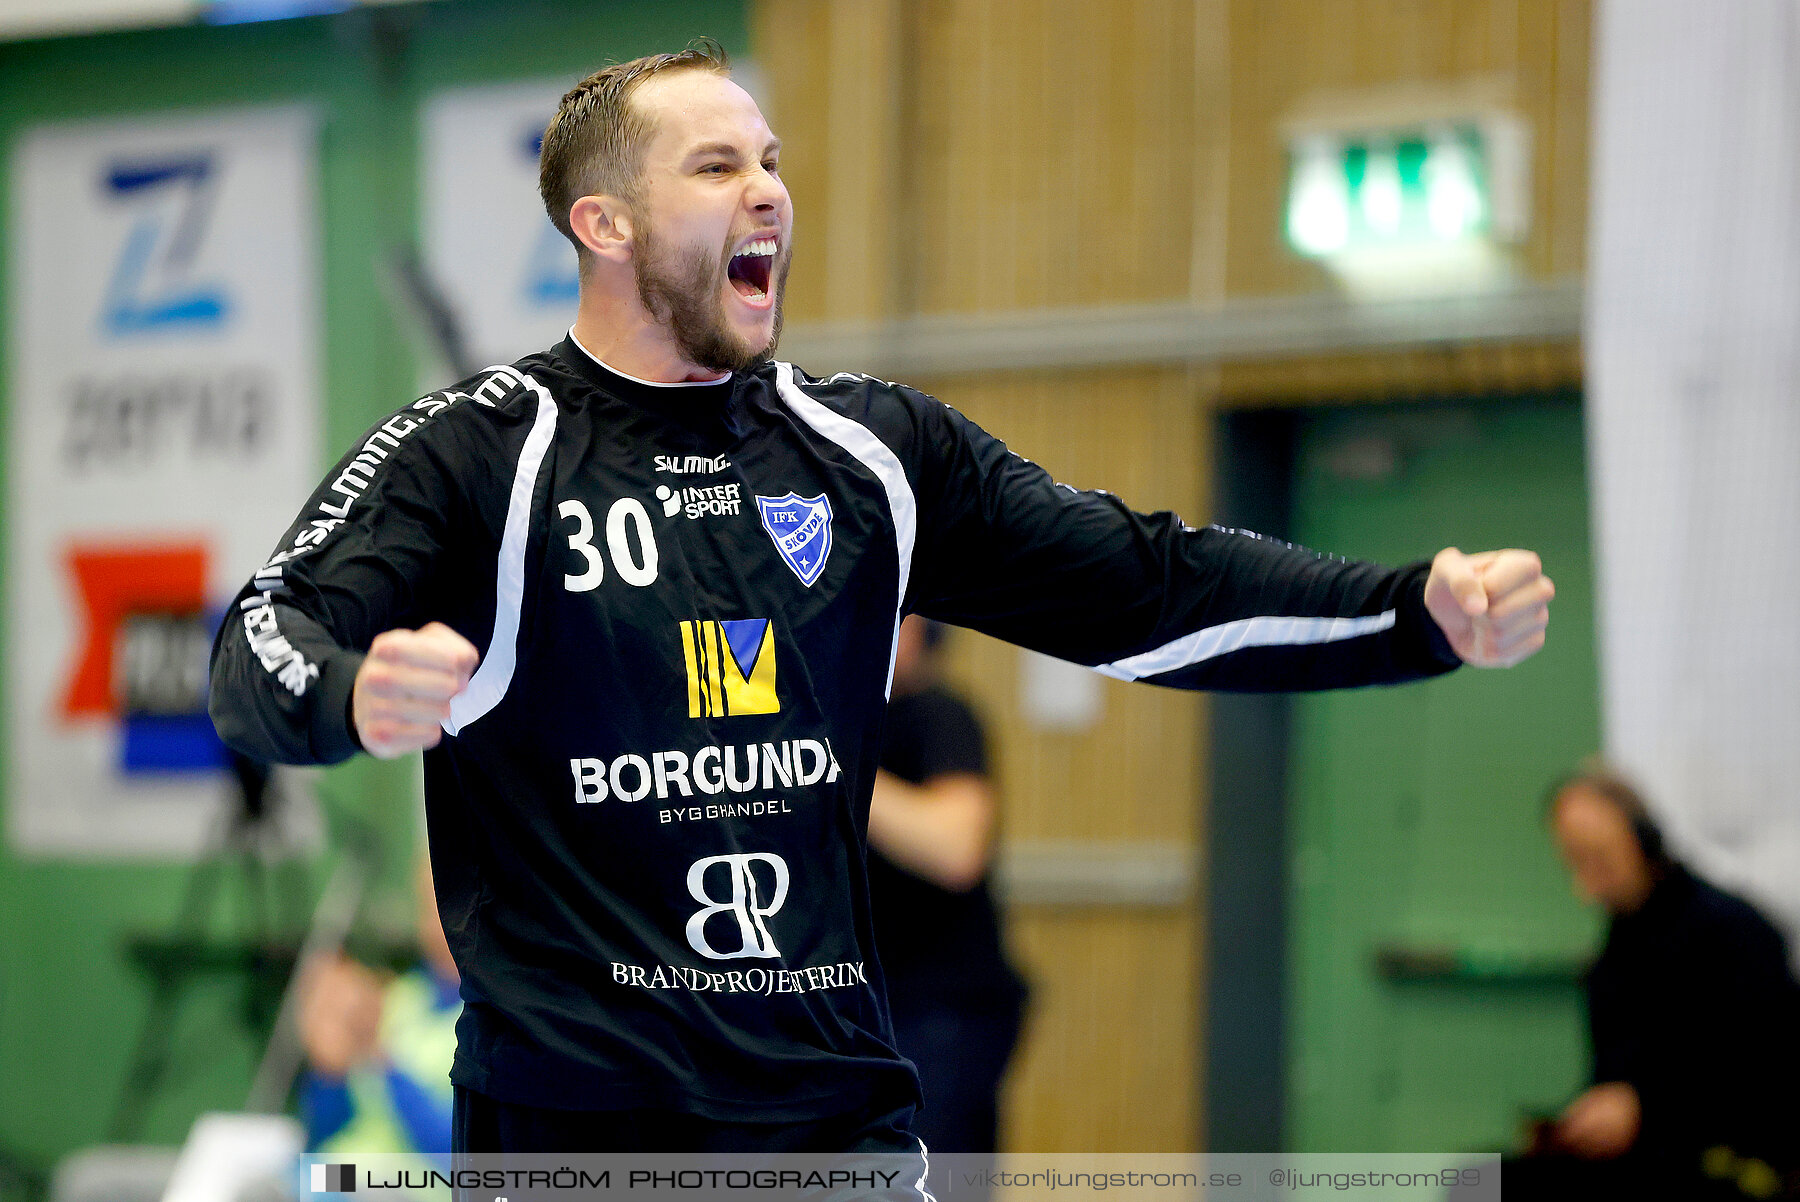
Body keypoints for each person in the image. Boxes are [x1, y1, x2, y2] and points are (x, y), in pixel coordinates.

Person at [208, 40, 1554, 1160]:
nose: (770, 193)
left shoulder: (873, 451)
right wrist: (348, 694)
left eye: (776, 161)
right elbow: (261, 635)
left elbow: (1145, 587)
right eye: (718, 164)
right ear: (602, 223)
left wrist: (1410, 611)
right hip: (584, 1130)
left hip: (836, 1117)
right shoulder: (476, 451)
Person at [1509, 765, 1800, 1200]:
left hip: (1714, 1163)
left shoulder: (1735, 931)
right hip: (1639, 1161)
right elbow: (1616, 1069)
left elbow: (1761, 1076)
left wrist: (1645, 1108)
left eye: (1597, 857)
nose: (1584, 885)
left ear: (1642, 838)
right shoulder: (1619, 946)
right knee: (1475, 1181)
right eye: (1575, 861)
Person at [866, 616, 1025, 1174]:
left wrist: (828, 761)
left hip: (939, 1007)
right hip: (863, 1007)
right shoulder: (847, 718)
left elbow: (955, 849)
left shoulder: (940, 714)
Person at [296, 854, 460, 1159]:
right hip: (350, 1174)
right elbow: (323, 1132)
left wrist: (379, 1057)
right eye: (428, 909)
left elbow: (455, 1150)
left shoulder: (504, 1026)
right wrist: (328, 1067)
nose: (437, 925)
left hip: (406, 1187)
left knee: (304, 1183)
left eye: (451, 907)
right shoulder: (400, 998)